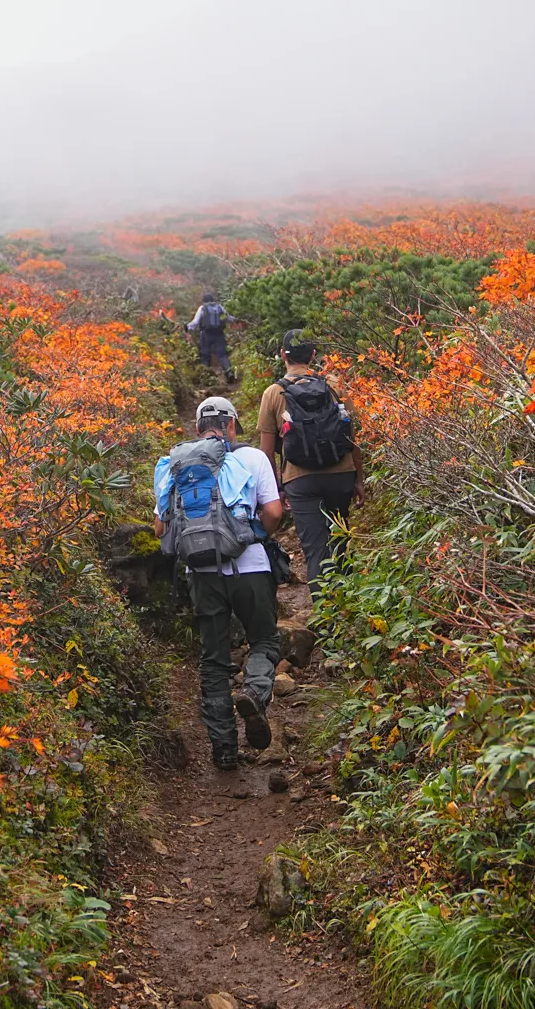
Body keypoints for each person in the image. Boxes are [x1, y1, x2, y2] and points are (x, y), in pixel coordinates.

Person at [154, 395, 284, 770]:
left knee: (213, 662)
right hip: (251, 568)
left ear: (197, 428)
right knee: (263, 640)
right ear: (231, 426)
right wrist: (256, 536)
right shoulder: (252, 458)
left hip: (202, 575)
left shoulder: (171, 464)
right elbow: (273, 512)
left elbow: (161, 527)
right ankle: (255, 694)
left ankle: (224, 750)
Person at [256, 330, 365, 601]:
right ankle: (350, 606)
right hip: (341, 474)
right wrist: (358, 478)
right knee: (340, 539)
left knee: (316, 549)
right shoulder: (335, 384)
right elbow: (354, 436)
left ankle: (326, 619)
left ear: (283, 355)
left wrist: (275, 489)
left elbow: (266, 453)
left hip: (300, 481)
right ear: (314, 355)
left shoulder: (273, 392)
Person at [184, 291, 236, 383]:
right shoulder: (219, 307)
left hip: (206, 334)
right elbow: (228, 318)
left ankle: (206, 377)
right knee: (222, 355)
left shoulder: (202, 308)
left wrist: (187, 327)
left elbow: (195, 322)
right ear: (213, 300)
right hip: (219, 333)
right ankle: (229, 373)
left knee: (205, 355)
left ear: (204, 301)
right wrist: (237, 320)